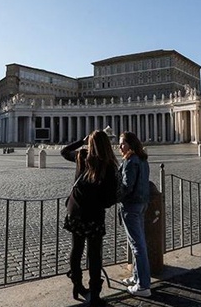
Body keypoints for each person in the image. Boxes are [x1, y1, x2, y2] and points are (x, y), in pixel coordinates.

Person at [61, 130, 119, 306]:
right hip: (94, 215)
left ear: (90, 143)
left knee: (76, 250)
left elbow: (64, 151)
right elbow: (110, 197)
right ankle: (94, 293)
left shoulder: (81, 156)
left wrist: (81, 140)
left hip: (76, 213)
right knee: (94, 255)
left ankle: (77, 285)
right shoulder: (108, 165)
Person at [118, 131, 152, 297]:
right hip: (142, 203)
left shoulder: (130, 161)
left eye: (122, 143)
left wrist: (114, 196)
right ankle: (137, 277)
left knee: (137, 246)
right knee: (138, 243)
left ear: (130, 144)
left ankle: (144, 285)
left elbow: (126, 186)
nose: (119, 146)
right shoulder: (143, 159)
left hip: (131, 205)